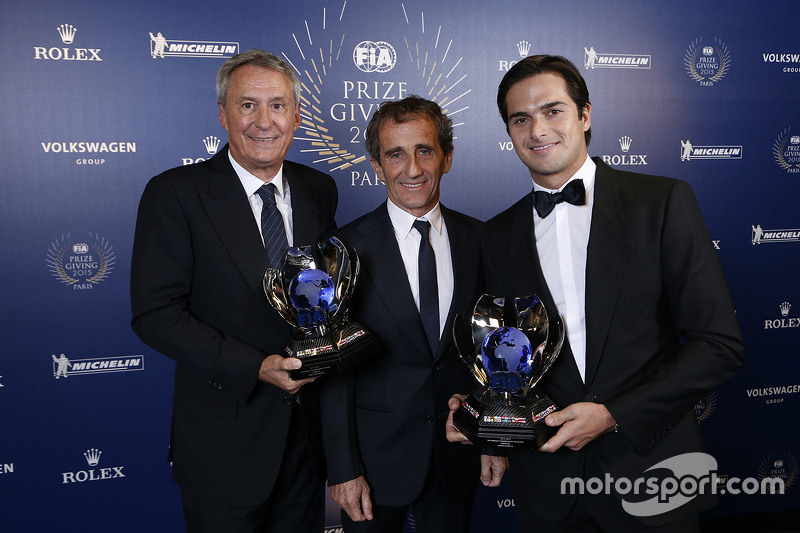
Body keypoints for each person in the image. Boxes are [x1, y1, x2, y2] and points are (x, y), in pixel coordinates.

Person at [447, 55, 744, 532]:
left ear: (585, 115)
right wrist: (488, 429)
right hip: (547, 483)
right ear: (509, 132)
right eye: (520, 119)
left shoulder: (662, 203)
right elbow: (505, 353)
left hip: (653, 472)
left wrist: (613, 415)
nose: (537, 130)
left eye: (553, 111)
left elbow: (719, 346)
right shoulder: (497, 235)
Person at [130, 49, 337, 532]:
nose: (264, 121)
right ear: (222, 114)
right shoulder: (175, 193)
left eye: (278, 105)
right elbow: (155, 314)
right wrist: (256, 367)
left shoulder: (318, 189)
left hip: (306, 443)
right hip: (223, 444)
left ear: (297, 115)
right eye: (248, 105)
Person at [321, 96, 507, 533]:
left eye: (425, 150)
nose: (412, 169)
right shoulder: (343, 250)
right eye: (395, 154)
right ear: (376, 166)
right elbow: (332, 371)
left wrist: (493, 437)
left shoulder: (481, 240)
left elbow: (496, 351)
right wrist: (344, 468)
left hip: (457, 451)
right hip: (373, 460)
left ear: (447, 158)